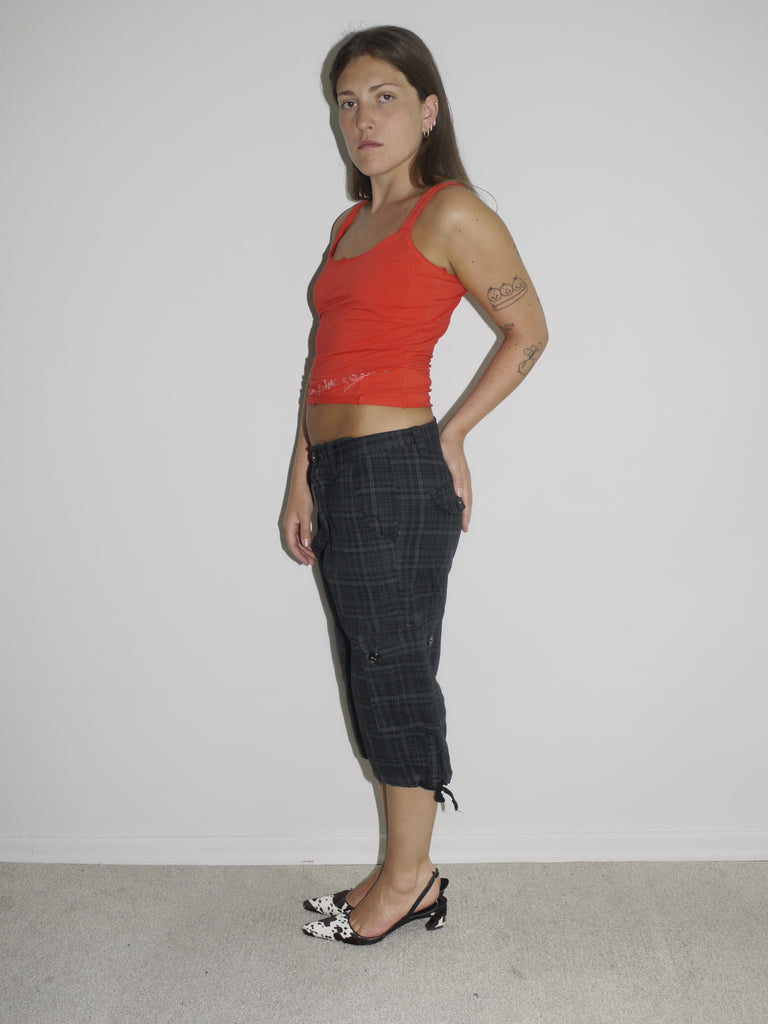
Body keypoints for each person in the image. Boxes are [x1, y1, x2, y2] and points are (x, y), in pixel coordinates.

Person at [282, 25, 548, 945]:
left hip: (397, 472)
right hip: (341, 472)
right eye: (346, 102)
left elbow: (529, 334)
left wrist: (452, 432)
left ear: (427, 110)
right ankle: (400, 871)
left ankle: (409, 882)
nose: (362, 118)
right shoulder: (348, 225)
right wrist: (301, 477)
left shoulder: (450, 211)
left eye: (384, 96)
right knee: (370, 668)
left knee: (394, 674)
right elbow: (325, 359)